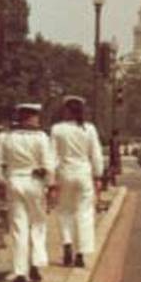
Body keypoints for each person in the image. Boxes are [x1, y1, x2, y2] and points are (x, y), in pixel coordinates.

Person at [0, 103, 57, 282]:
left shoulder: (7, 137)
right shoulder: (41, 138)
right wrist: (51, 185)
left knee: (18, 227)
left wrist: (1, 182)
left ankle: (20, 271)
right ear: (33, 118)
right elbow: (48, 164)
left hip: (14, 180)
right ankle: (35, 264)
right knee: (38, 224)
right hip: (34, 182)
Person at [51, 95, 104, 269]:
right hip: (83, 173)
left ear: (66, 110)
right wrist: (98, 175)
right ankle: (81, 252)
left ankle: (67, 243)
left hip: (65, 172)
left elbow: (53, 156)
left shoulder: (57, 129)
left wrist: (51, 179)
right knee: (84, 213)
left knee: (64, 210)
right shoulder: (89, 129)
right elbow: (96, 154)